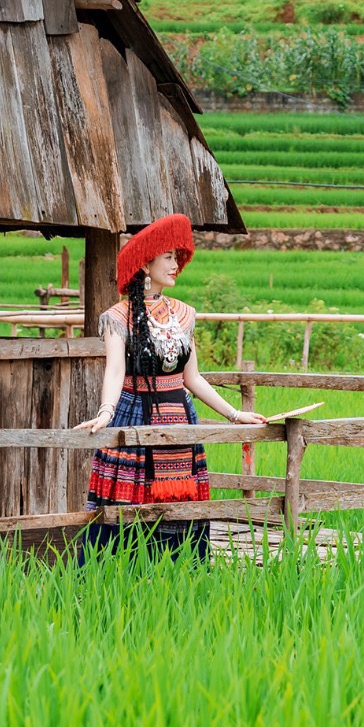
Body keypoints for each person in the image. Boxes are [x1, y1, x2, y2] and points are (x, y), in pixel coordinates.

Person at [75, 213, 265, 557]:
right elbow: (115, 372)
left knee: (182, 503)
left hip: (179, 419)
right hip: (134, 416)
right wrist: (105, 413)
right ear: (145, 266)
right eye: (168, 258)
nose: (176, 265)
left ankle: (180, 568)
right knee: (131, 506)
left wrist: (236, 415)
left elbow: (192, 379)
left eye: (177, 257)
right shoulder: (116, 318)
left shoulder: (184, 314)